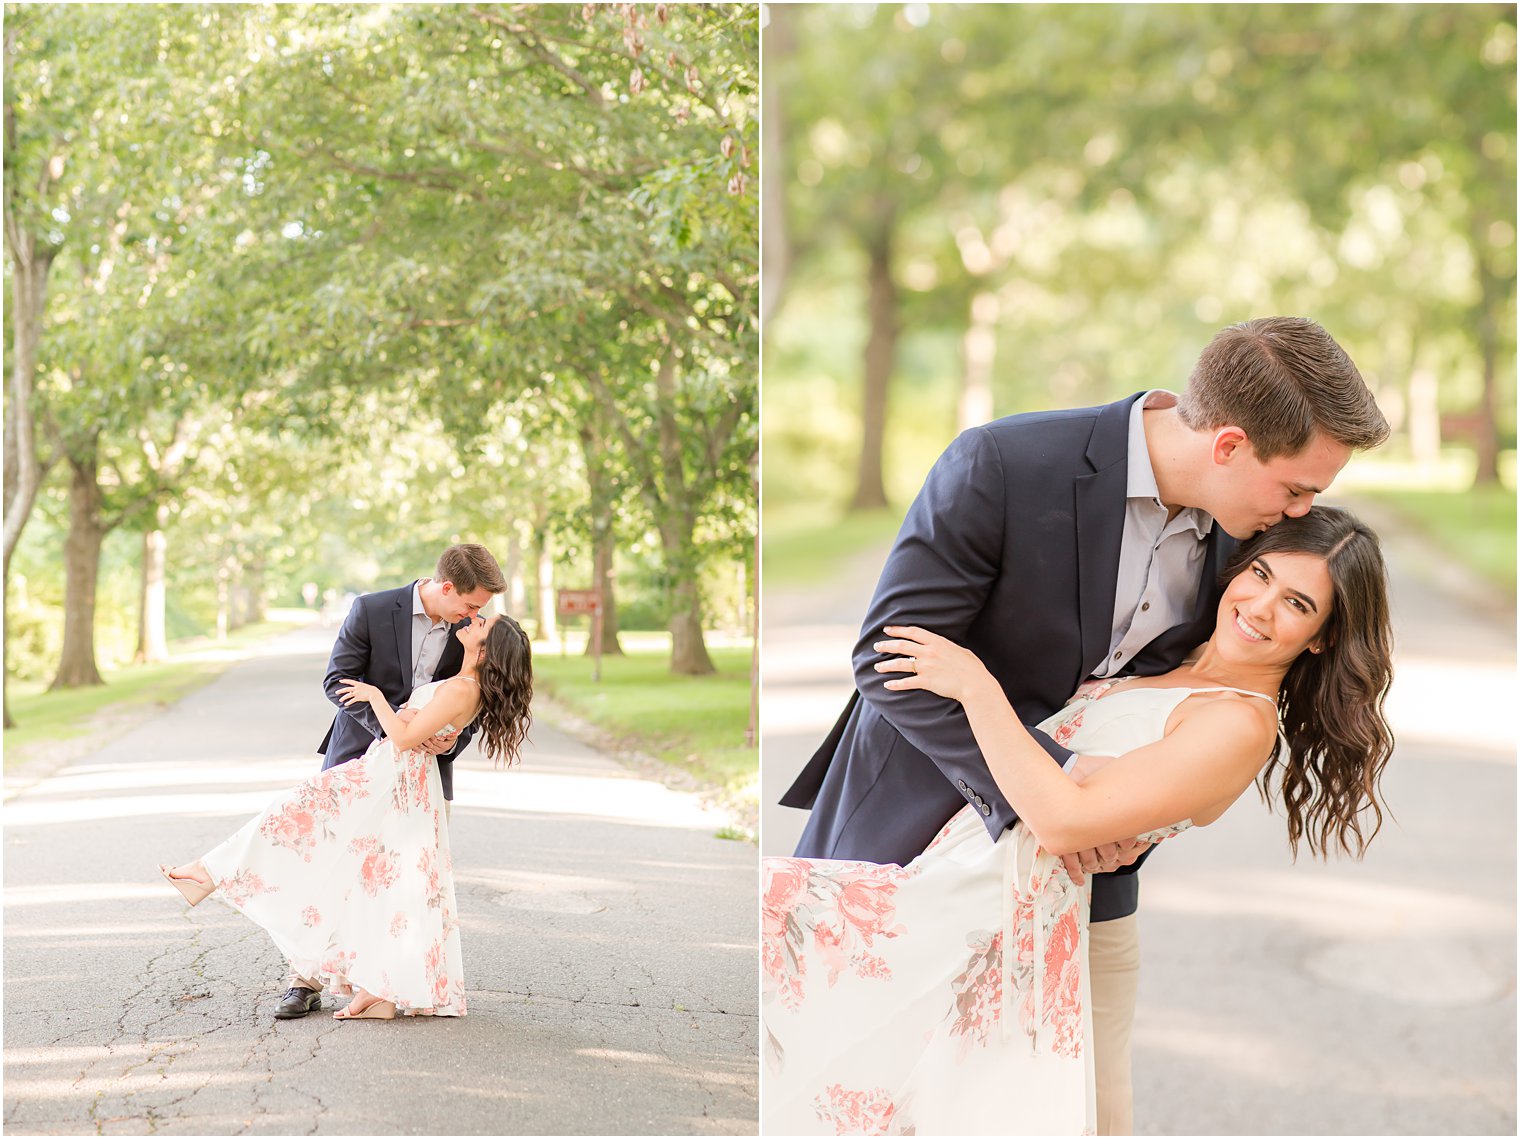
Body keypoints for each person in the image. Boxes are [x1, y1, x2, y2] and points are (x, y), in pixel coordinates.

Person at [779, 317, 1389, 1133]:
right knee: (829, 1089)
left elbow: (1187, 723)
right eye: (1296, 487)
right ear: (1230, 445)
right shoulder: (1003, 464)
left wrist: (1124, 818)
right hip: (906, 841)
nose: (1303, 509)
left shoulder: (1247, 550)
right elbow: (889, 659)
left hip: (1084, 887)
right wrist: (1055, 794)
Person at [159, 611, 533, 1020]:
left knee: (289, 816)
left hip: (385, 777)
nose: (475, 620)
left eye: (484, 625)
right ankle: (379, 991)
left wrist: (376, 697)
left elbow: (405, 738)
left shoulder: (464, 686)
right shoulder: (462, 682)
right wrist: (420, 723)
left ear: (485, 650)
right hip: (392, 776)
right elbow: (422, 729)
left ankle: (208, 873)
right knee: (373, 881)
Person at [260, 543, 506, 1019]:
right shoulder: (371, 609)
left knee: (404, 885)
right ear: (447, 587)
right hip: (357, 761)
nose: (475, 614)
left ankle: (385, 983)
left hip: (426, 778)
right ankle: (304, 979)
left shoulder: (470, 632)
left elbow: (476, 698)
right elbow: (338, 680)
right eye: (471, 604)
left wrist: (448, 740)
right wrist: (393, 737)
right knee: (331, 872)